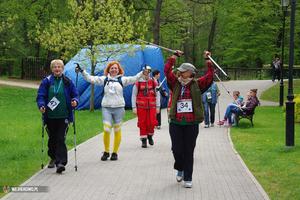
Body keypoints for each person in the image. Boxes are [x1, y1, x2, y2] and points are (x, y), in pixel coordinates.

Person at [165, 50, 215, 188]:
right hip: (175, 122)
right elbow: (167, 70)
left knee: (188, 150)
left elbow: (210, 75)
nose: (180, 73)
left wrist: (207, 59)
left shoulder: (198, 84)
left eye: (183, 71)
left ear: (190, 73)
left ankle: (188, 177)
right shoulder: (175, 83)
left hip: (191, 123)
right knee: (177, 149)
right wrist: (175, 56)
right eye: (180, 71)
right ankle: (180, 167)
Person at [75, 61, 143, 161]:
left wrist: (142, 73)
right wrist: (82, 71)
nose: (114, 70)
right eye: (112, 68)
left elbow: (134, 79)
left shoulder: (122, 79)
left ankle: (115, 152)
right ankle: (106, 152)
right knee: (107, 130)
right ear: (108, 70)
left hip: (119, 108)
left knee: (117, 130)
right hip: (107, 108)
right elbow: (91, 79)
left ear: (119, 70)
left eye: (115, 68)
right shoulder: (104, 79)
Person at [36, 59, 79, 173]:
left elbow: (75, 95)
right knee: (52, 138)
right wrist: (41, 105)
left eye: (59, 67)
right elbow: (40, 96)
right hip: (50, 115)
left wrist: (74, 101)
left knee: (61, 138)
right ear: (51, 69)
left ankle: (61, 162)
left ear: (63, 69)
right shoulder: (47, 81)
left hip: (63, 115)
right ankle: (53, 158)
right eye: (55, 67)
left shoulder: (67, 81)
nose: (57, 69)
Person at [131, 66, 160, 148]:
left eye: (149, 72)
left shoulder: (154, 83)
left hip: (152, 107)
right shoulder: (137, 83)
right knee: (142, 123)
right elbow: (133, 96)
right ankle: (143, 139)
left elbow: (157, 95)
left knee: (151, 122)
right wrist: (134, 108)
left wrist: (158, 107)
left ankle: (150, 136)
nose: (147, 74)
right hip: (141, 107)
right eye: (145, 72)